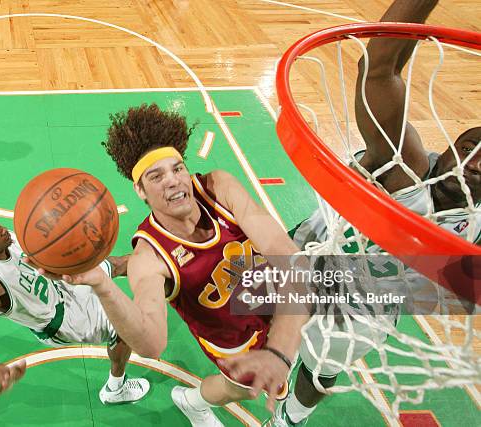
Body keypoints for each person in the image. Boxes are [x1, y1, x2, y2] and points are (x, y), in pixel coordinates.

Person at [272, 1, 480, 426]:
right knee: (247, 328)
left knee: (319, 372)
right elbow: (381, 70)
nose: (475, 159)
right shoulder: (402, 168)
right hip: (306, 259)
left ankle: (291, 416)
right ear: (455, 143)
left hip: (366, 307)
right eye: (472, 144)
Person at [38, 103, 309, 427]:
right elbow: (151, 344)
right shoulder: (148, 257)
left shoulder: (217, 187)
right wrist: (102, 283)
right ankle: (192, 400)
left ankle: (295, 411)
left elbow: (288, 258)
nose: (173, 180)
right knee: (242, 389)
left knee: (374, 294)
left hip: (267, 293)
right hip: (230, 334)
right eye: (156, 175)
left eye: (177, 168)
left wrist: (279, 351)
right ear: (140, 190)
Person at [0, 212, 150, 403]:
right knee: (126, 328)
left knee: (120, 264)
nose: (2, 230)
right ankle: (116, 388)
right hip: (64, 320)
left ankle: (172, 271)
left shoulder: (5, 239)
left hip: (60, 282)